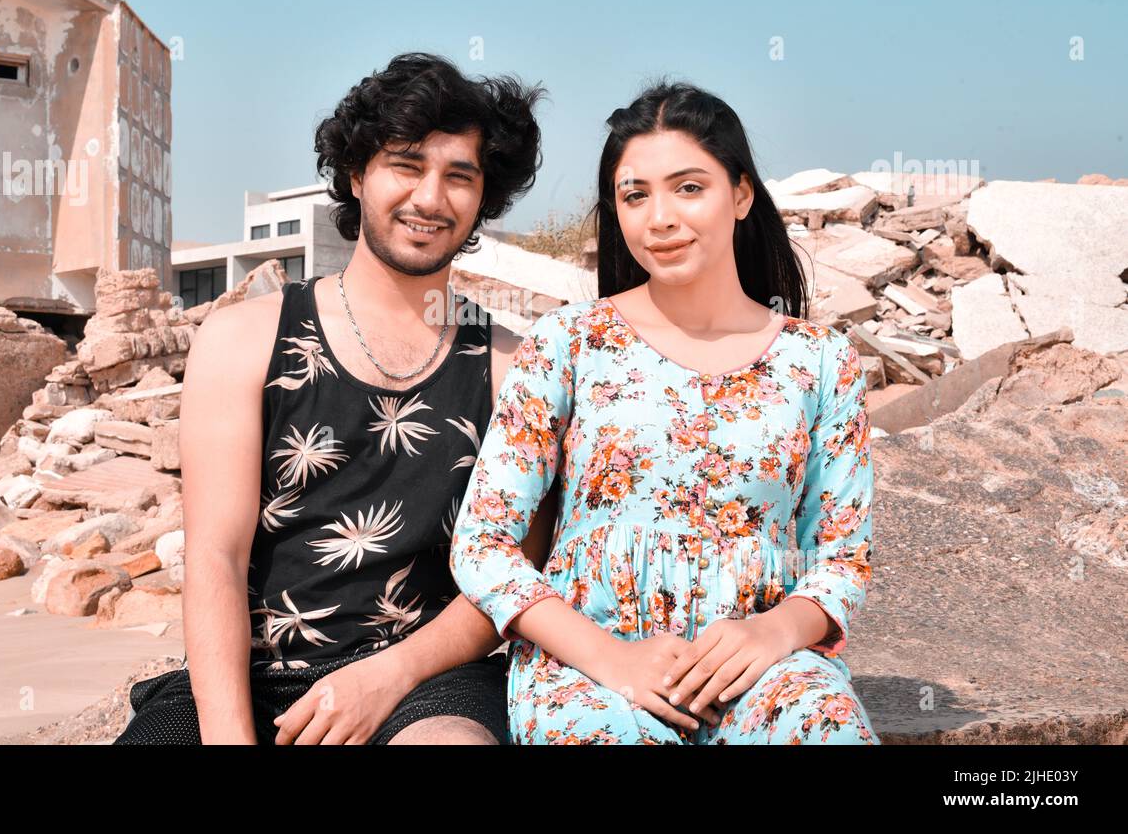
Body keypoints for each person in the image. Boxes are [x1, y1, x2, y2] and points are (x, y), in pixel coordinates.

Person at [116, 52, 554, 745]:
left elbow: (509, 579)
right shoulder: (243, 341)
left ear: (483, 200)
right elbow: (216, 559)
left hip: (426, 683)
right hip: (251, 678)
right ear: (357, 174)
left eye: (459, 177)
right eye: (406, 165)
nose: (431, 198)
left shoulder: (514, 370)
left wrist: (388, 676)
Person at [448, 81, 880, 744]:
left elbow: (843, 554)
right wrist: (612, 660)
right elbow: (483, 543)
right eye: (635, 194)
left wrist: (774, 631)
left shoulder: (821, 361)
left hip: (757, 667)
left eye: (688, 187)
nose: (660, 218)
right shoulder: (568, 345)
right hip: (588, 668)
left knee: (826, 726)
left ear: (740, 195)